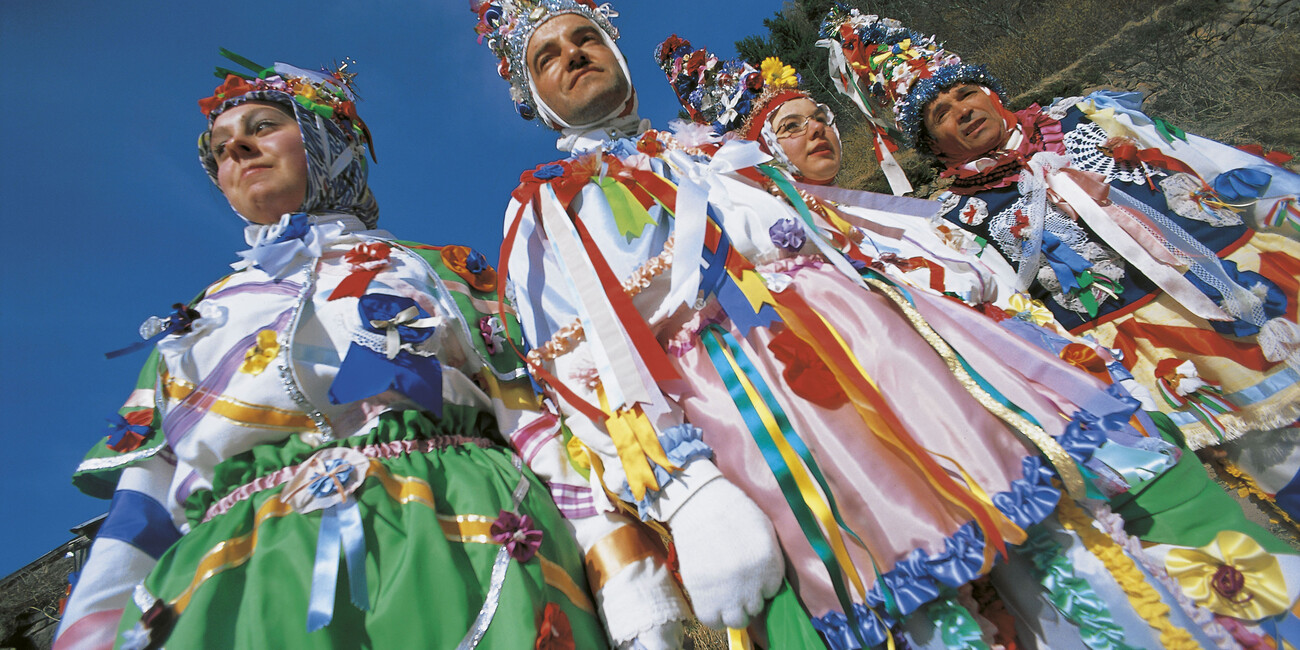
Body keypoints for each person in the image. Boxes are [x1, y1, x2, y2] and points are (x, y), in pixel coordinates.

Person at [471, 3, 1234, 647]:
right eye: (548, 58)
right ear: (534, 98)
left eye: (585, 40)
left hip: (888, 350)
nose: (574, 56)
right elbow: (578, 373)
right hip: (763, 408)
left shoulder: (712, 149)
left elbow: (831, 231)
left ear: (614, 50)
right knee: (909, 594)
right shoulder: (545, 212)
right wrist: (684, 488)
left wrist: (941, 277)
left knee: (1041, 528)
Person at [54, 53, 620, 650]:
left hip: (462, 542)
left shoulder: (433, 268)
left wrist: (623, 574)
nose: (236, 151)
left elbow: (536, 422)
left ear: (326, 137)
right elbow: (144, 499)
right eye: (220, 148)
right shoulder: (194, 324)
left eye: (262, 127)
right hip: (235, 592)